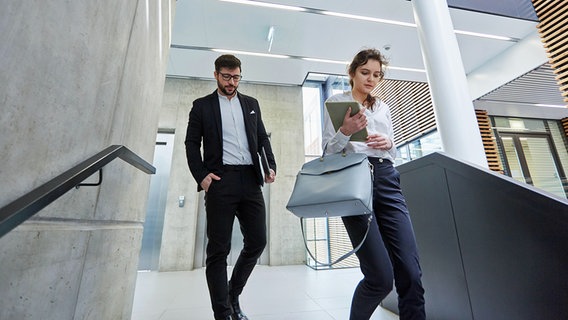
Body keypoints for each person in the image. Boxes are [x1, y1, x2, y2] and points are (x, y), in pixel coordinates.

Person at [321, 48, 426, 320]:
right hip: (354, 183)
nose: (370, 79)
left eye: (376, 75)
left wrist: (389, 143)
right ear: (353, 72)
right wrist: (344, 131)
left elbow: (391, 151)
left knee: (411, 272)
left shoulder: (383, 107)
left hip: (387, 179)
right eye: (365, 72)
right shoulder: (336, 102)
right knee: (380, 278)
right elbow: (328, 155)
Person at [185, 54, 276, 320]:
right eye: (226, 76)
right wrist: (201, 176)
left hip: (250, 180)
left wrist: (270, 165)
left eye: (236, 77)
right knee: (218, 250)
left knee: (258, 241)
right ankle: (223, 313)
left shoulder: (251, 104)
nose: (232, 82)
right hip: (220, 180)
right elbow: (191, 144)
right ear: (216, 75)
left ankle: (232, 293)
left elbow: (261, 137)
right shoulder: (201, 106)